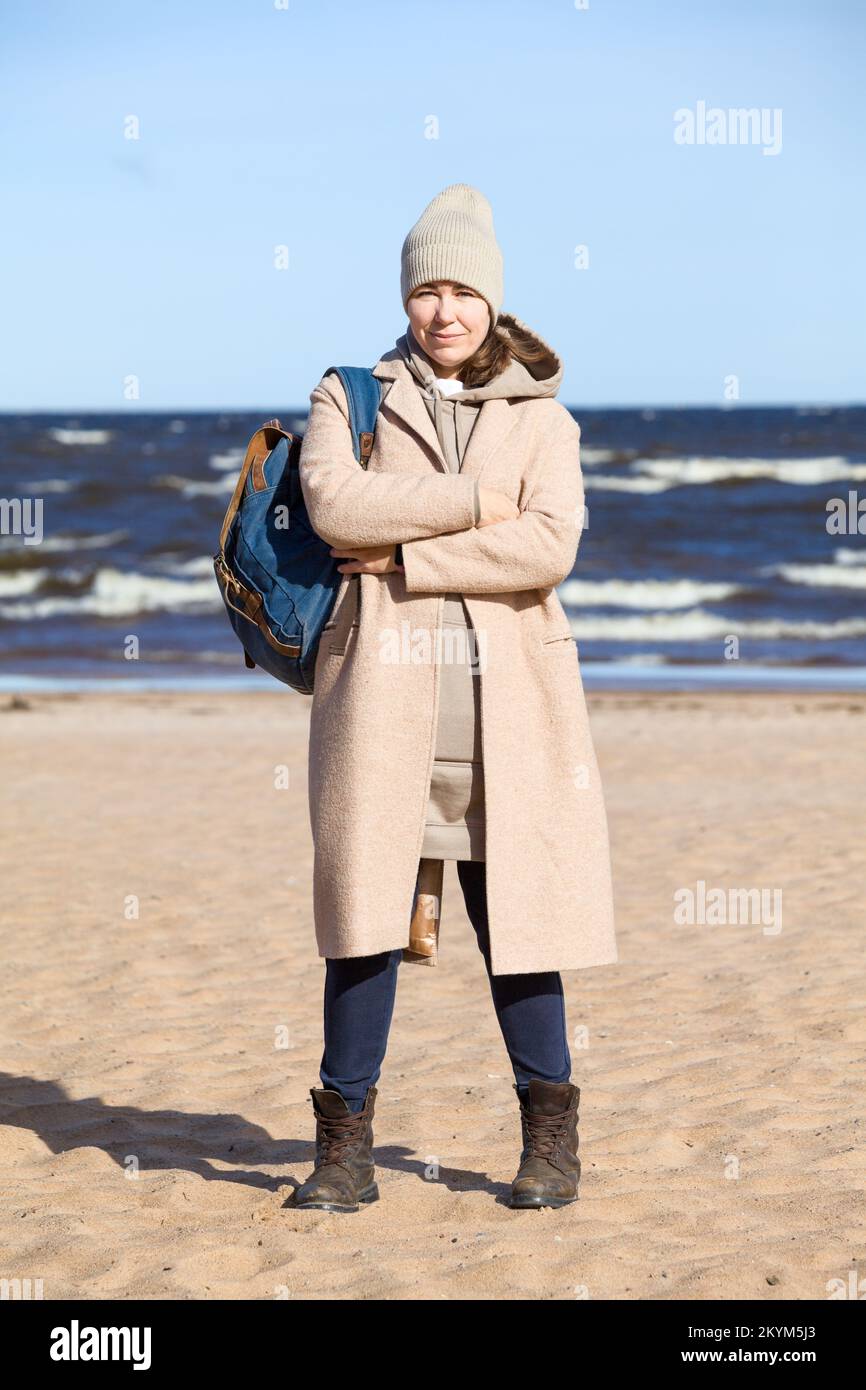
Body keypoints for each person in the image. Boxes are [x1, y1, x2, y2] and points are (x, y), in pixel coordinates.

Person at [293, 184, 617, 1213]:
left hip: (509, 726)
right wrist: (478, 504)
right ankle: (342, 1152)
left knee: (519, 933)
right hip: (378, 720)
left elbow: (548, 544)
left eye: (462, 289)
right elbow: (335, 506)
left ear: (491, 301)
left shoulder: (542, 415)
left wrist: (403, 551)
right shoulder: (347, 395)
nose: (443, 310)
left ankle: (549, 1141)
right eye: (426, 288)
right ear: (406, 297)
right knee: (360, 929)